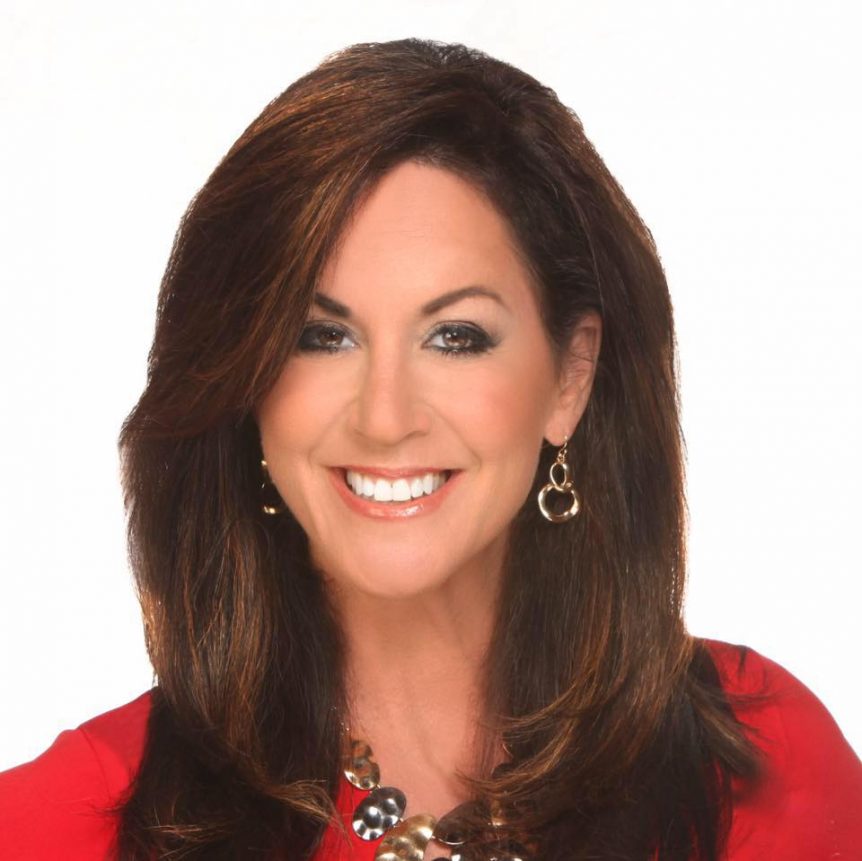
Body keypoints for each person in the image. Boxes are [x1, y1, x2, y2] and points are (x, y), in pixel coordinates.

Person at [1, 37, 860, 861]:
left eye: (455, 336)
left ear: (570, 377)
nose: (385, 417)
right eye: (320, 335)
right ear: (247, 383)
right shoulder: (69, 823)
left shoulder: (762, 765)